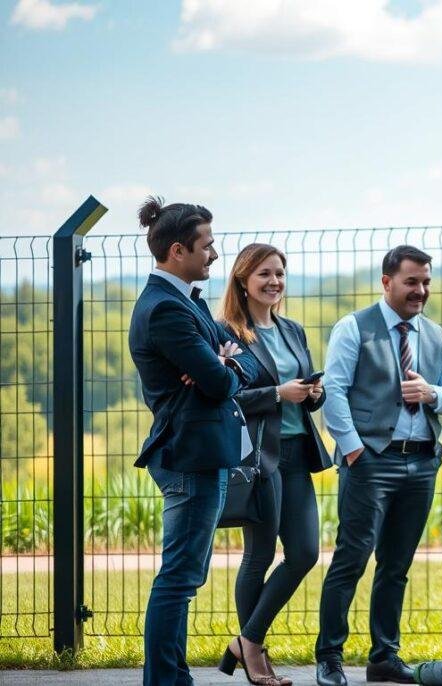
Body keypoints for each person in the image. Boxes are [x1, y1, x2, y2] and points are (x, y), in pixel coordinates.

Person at [314, 245, 442, 686]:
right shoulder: (354, 327)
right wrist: (354, 451)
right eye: (411, 281)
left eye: (426, 282)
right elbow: (335, 392)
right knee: (351, 559)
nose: (421, 290)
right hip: (370, 462)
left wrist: (432, 393)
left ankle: (384, 658)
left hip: (421, 463)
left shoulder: (436, 336)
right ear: (387, 282)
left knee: (396, 566)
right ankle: (329, 658)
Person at [128, 196, 261, 686]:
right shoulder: (166, 309)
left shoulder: (187, 302)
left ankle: (171, 678)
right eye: (207, 245)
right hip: (190, 456)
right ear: (178, 250)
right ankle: (166, 681)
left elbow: (243, 363)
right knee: (180, 578)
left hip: (205, 453)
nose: (214, 254)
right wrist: (220, 365)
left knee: (186, 577)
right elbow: (222, 381)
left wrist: (223, 363)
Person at [215, 243, 333, 685]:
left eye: (279, 273)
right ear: (243, 280)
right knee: (260, 554)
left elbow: (304, 393)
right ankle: (255, 655)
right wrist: (277, 394)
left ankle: (244, 642)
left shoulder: (293, 330)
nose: (274, 281)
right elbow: (222, 395)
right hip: (258, 457)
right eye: (264, 273)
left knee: (304, 553)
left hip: (298, 452)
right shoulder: (225, 332)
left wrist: (313, 394)